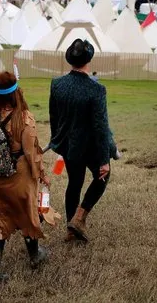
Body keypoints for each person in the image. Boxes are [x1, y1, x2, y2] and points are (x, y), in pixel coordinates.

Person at [0, 71, 50, 284]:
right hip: (19, 178)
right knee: (27, 216)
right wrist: (42, 175)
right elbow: (31, 153)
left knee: (0, 221)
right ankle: (35, 256)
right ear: (16, 92)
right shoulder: (24, 118)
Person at [49, 39, 112, 243]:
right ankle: (79, 218)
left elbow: (54, 117)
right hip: (91, 147)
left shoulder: (57, 84)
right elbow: (101, 126)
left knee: (74, 183)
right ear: (89, 60)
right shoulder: (97, 90)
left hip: (68, 145)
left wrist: (57, 142)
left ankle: (71, 229)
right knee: (102, 176)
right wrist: (104, 159)